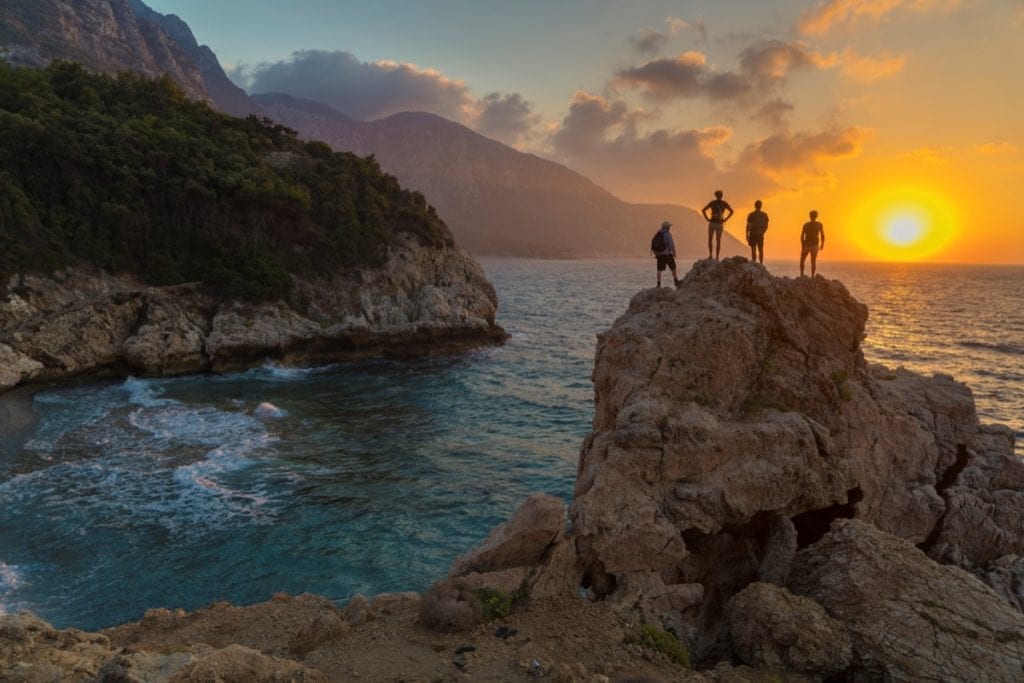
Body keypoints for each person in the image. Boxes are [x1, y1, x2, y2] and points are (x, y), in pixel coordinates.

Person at [701, 190, 733, 259]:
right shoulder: (724, 203)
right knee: (718, 241)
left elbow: (703, 210)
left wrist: (707, 219)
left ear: (716, 196)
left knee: (710, 239)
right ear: (722, 196)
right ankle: (717, 257)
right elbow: (731, 211)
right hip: (719, 223)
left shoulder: (712, 203)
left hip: (712, 222)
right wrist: (726, 219)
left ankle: (710, 255)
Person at [651, 220, 679, 288]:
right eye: (669, 226)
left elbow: (653, 245)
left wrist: (656, 254)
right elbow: (671, 244)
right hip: (667, 255)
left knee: (659, 270)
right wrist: (674, 253)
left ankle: (658, 284)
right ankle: (676, 282)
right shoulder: (667, 234)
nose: (670, 227)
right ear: (667, 227)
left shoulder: (658, 234)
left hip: (659, 255)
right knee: (673, 268)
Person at [800, 210, 826, 277]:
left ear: (810, 216)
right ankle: (812, 276)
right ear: (816, 216)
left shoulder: (806, 225)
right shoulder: (819, 224)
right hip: (814, 245)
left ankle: (802, 275)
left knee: (802, 260)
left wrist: (802, 245)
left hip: (807, 244)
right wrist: (822, 244)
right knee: (813, 261)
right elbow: (822, 235)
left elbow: (802, 235)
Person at [746, 200, 769, 264]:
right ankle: (761, 263)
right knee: (761, 249)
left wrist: (747, 235)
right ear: (761, 206)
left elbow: (747, 225)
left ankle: (754, 262)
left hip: (753, 233)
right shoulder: (764, 214)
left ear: (754, 206)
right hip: (760, 233)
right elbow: (767, 225)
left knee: (753, 250)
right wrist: (763, 231)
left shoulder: (751, 214)